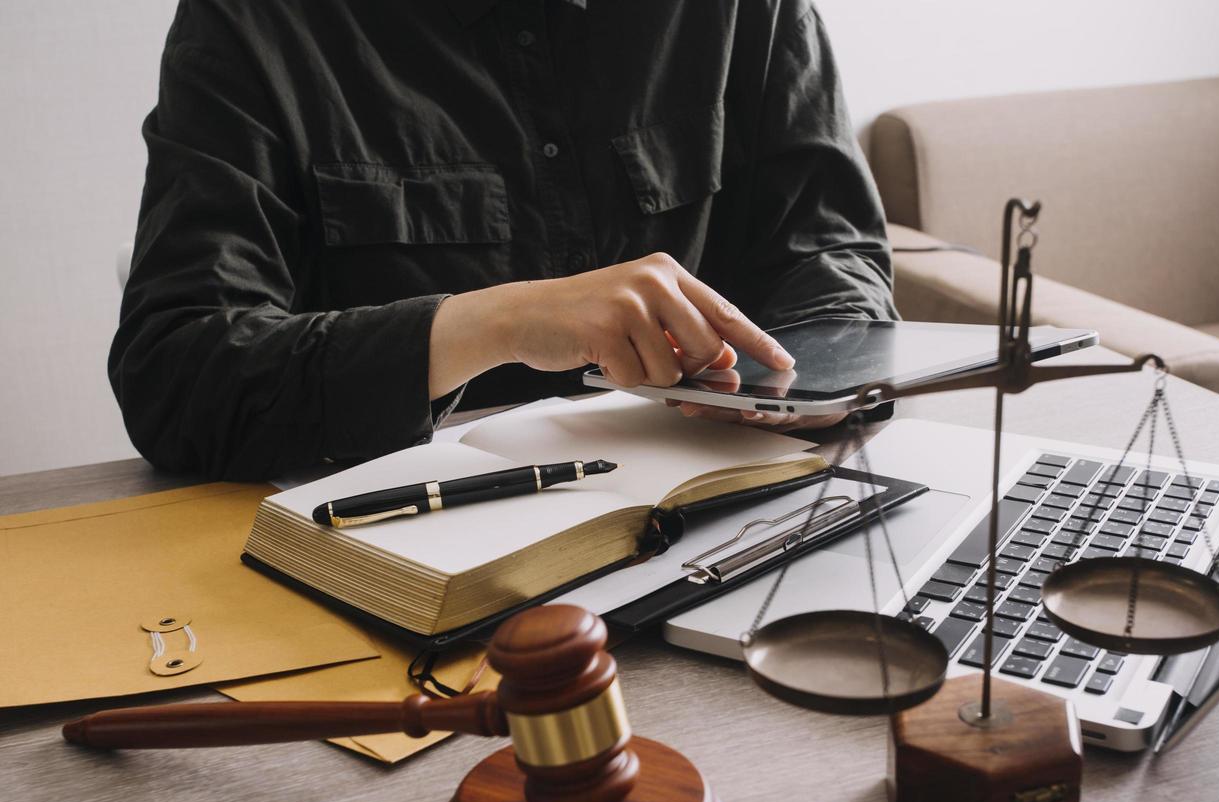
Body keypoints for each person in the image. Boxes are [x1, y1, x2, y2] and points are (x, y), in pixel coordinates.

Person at [111, 0, 897, 480]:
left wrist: (813, 384)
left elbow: (833, 255)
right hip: (414, 568)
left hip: (736, 513)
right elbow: (177, 376)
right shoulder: (254, 24)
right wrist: (495, 324)